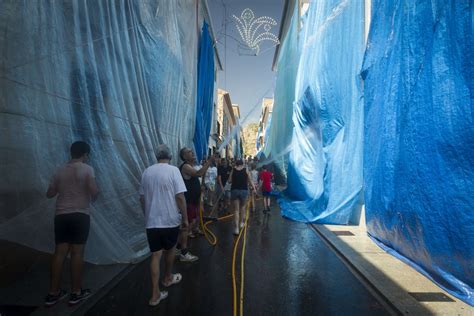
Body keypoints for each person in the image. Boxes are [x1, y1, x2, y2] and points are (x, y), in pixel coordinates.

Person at [44, 141, 99, 306]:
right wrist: (92, 195)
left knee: (59, 253)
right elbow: (94, 192)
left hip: (61, 215)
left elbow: (50, 194)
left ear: (71, 153)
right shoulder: (87, 169)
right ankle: (76, 292)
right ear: (85, 155)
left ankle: (53, 293)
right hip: (80, 215)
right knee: (77, 254)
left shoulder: (59, 170)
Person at [139, 144, 188, 306]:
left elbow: (142, 198)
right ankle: (167, 278)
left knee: (155, 255)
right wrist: (185, 218)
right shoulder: (173, 170)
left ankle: (154, 295)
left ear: (156, 156)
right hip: (170, 220)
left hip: (152, 222)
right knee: (170, 250)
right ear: (170, 156)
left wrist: (148, 214)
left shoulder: (147, 171)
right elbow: (180, 197)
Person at [177, 147, 214, 262]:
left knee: (190, 224)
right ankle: (183, 253)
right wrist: (209, 162)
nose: (192, 152)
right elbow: (199, 173)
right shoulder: (185, 166)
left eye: (192, 151)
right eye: (189, 152)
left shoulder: (190, 166)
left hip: (192, 202)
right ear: (184, 157)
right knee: (185, 227)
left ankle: (178, 247)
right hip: (187, 203)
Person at [228, 159, 256, 235]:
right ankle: (241, 223)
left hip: (235, 190)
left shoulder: (233, 170)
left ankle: (236, 229)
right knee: (243, 207)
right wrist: (254, 188)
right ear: (242, 164)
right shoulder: (246, 170)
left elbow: (229, 181)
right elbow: (250, 180)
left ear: (236, 164)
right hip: (244, 190)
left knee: (236, 210)